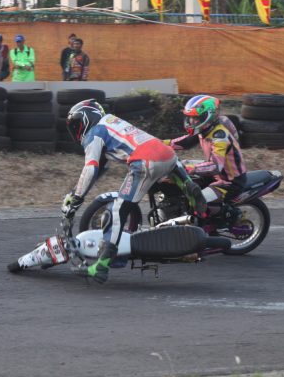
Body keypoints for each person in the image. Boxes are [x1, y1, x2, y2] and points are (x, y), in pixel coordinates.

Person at [61, 100, 206, 284]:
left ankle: (101, 267)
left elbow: (90, 169)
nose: (77, 131)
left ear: (86, 119)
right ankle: (191, 191)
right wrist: (77, 191)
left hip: (145, 162)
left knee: (115, 212)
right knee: (170, 183)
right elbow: (100, 168)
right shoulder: (112, 121)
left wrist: (76, 198)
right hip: (168, 156)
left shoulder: (94, 132)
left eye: (77, 126)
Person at [166, 95, 247, 214]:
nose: (192, 121)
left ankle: (214, 220)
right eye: (190, 117)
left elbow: (215, 166)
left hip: (229, 182)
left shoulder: (220, 136)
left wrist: (191, 169)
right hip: (215, 175)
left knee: (197, 201)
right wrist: (158, 144)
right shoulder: (204, 130)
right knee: (182, 167)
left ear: (208, 116)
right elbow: (185, 142)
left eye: (196, 118)